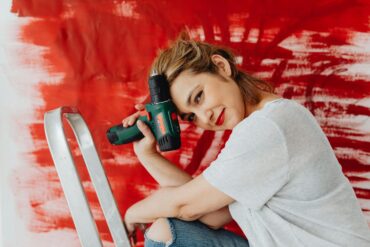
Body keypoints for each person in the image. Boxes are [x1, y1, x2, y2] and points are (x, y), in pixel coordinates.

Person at [122, 33, 370, 247]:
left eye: (198, 97)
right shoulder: (258, 129)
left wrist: (132, 213)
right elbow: (212, 213)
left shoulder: (269, 126)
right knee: (168, 232)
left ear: (221, 66)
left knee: (163, 229)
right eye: (190, 116)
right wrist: (148, 155)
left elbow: (186, 206)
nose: (204, 116)